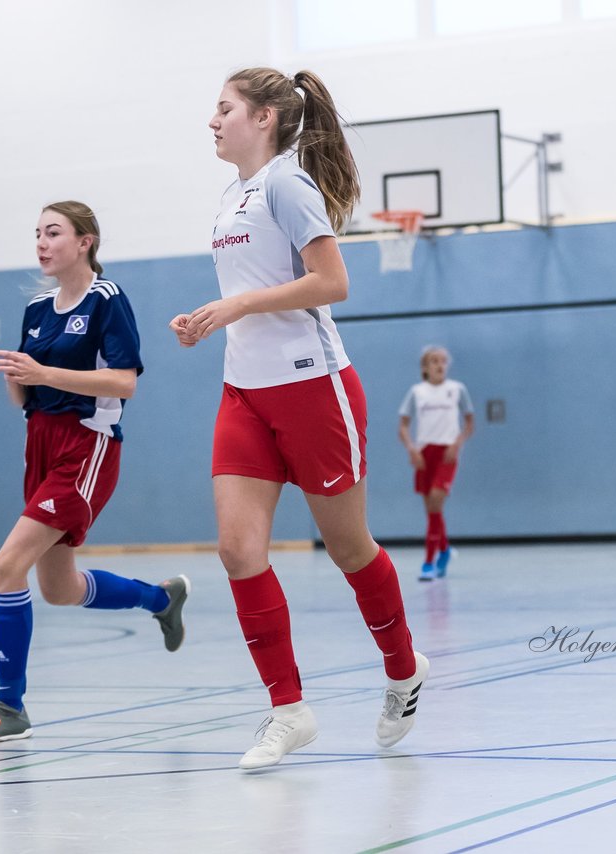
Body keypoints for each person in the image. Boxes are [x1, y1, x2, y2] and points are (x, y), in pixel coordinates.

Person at [170, 68, 428, 770]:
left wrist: (240, 307)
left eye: (223, 108)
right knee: (237, 549)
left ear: (265, 118)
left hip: (313, 388)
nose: (213, 120)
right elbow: (249, 291)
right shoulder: (232, 197)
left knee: (349, 549)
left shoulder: (288, 183)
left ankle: (404, 669)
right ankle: (288, 709)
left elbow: (332, 282)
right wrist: (207, 319)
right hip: (244, 392)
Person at [0, 202, 189, 744]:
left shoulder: (106, 299)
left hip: (85, 447)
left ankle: (9, 704)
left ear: (85, 242)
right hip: (39, 442)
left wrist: (42, 371)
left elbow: (125, 382)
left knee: (6, 566)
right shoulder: (37, 309)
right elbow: (29, 393)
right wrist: (17, 377)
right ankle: (161, 598)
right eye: (36, 232)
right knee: (58, 589)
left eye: (53, 232)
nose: (41, 242)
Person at [399, 345, 474, 581]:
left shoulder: (457, 389)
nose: (440, 365)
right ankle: (444, 550)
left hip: (446, 454)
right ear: (425, 367)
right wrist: (412, 448)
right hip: (424, 453)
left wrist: (457, 443)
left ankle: (429, 562)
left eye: (443, 361)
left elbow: (469, 421)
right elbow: (403, 425)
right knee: (432, 509)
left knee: (435, 500)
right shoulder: (417, 392)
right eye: (434, 361)